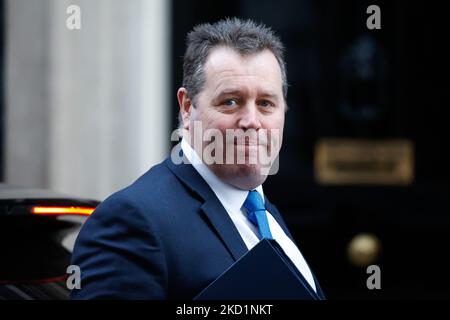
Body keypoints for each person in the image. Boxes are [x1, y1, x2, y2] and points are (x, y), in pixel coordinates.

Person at [70, 18, 325, 299]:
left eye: (266, 103)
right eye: (230, 101)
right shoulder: (132, 221)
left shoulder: (263, 213)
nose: (251, 121)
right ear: (187, 108)